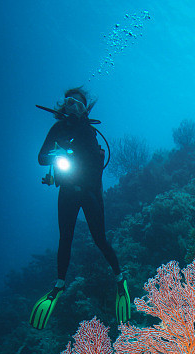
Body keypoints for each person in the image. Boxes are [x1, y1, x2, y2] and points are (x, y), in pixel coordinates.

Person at [30, 87, 130, 329]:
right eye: (68, 101)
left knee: (99, 239)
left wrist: (71, 153)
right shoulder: (57, 129)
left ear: (85, 108)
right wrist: (56, 154)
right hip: (67, 191)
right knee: (65, 238)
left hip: (89, 191)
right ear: (62, 105)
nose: (72, 105)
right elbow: (41, 158)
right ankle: (59, 284)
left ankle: (120, 279)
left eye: (77, 103)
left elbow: (94, 161)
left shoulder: (88, 130)